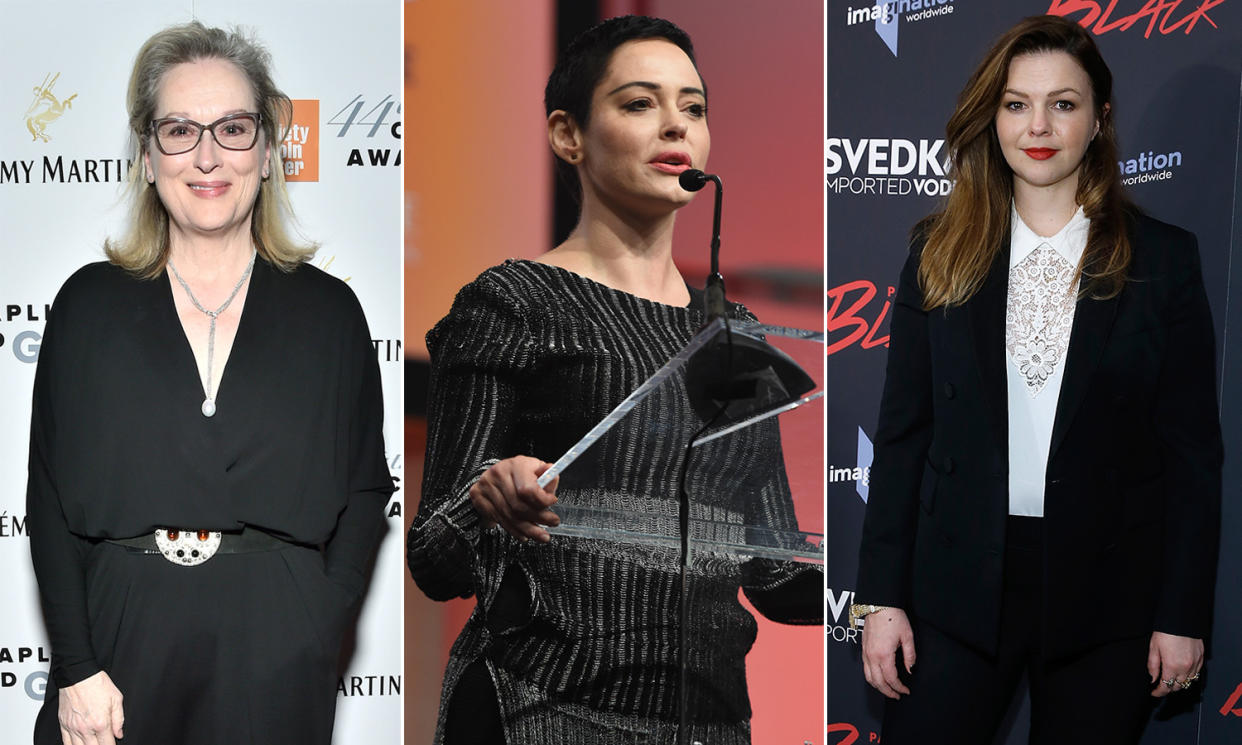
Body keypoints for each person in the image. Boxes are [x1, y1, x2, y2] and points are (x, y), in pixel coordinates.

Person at [407, 15, 820, 745]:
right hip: (542, 708)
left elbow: (775, 574)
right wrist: (487, 494)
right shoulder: (513, 301)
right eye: (639, 104)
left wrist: (886, 577)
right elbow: (434, 555)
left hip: (710, 723)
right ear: (568, 135)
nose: (676, 127)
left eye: (693, 108)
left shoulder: (734, 337)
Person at [851, 14, 1223, 745]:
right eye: (1017, 103)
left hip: (1107, 597)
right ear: (992, 117)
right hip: (953, 591)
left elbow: (1192, 457)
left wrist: (1181, 614)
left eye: (1064, 102)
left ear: (1099, 118)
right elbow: (900, 440)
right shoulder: (940, 252)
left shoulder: (1165, 261)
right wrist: (879, 601)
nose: (1038, 125)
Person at [27, 22, 394, 745]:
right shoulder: (87, 305)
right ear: (146, 152)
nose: (206, 156)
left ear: (266, 148)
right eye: (179, 130)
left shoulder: (330, 311)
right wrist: (74, 668)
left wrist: (321, 618)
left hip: (278, 650)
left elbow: (362, 487)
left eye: (231, 127)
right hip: (119, 641)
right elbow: (47, 496)